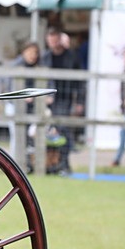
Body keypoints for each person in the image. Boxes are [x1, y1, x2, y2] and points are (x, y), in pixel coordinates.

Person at [41, 27, 84, 175]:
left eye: (55, 40)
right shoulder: (45, 57)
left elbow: (80, 81)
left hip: (65, 99)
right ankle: (50, 164)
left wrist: (79, 101)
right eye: (50, 40)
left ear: (60, 39)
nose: (53, 43)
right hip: (46, 100)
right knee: (47, 132)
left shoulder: (72, 57)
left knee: (62, 131)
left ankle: (64, 163)